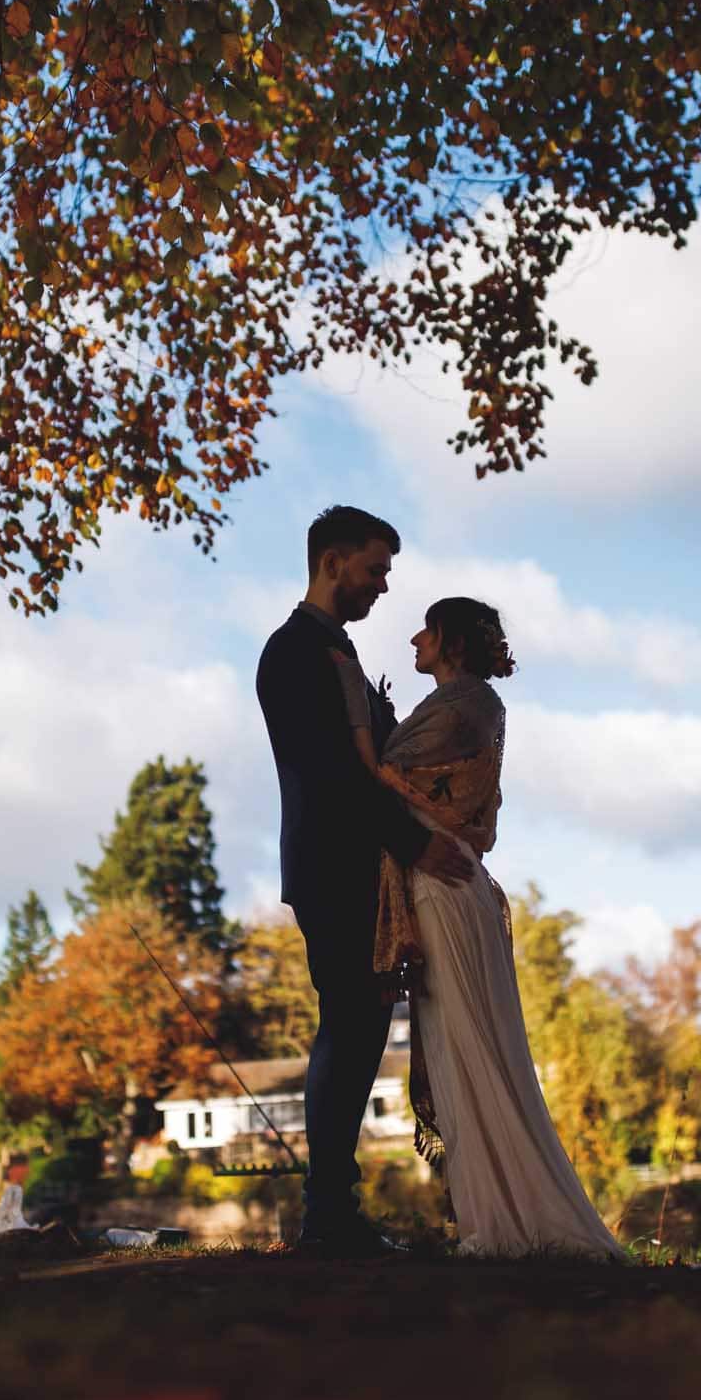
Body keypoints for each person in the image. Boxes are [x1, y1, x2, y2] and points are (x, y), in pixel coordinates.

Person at [352, 596, 623, 1260]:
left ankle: (515, 1220)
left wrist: (361, 728)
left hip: (444, 885)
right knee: (455, 1048)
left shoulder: (466, 706)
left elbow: (384, 770)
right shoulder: (463, 705)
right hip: (442, 882)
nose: (414, 638)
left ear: (449, 639)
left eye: (426, 628)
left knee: (473, 1046)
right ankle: (490, 1218)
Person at [256, 506, 474, 1255]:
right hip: (331, 864)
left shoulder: (333, 651)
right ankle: (328, 1217)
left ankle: (334, 1213)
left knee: (359, 1030)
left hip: (363, 867)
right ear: (333, 562)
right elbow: (330, 775)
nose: (383, 585)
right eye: (375, 569)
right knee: (348, 1028)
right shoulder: (293, 653)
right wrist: (414, 843)